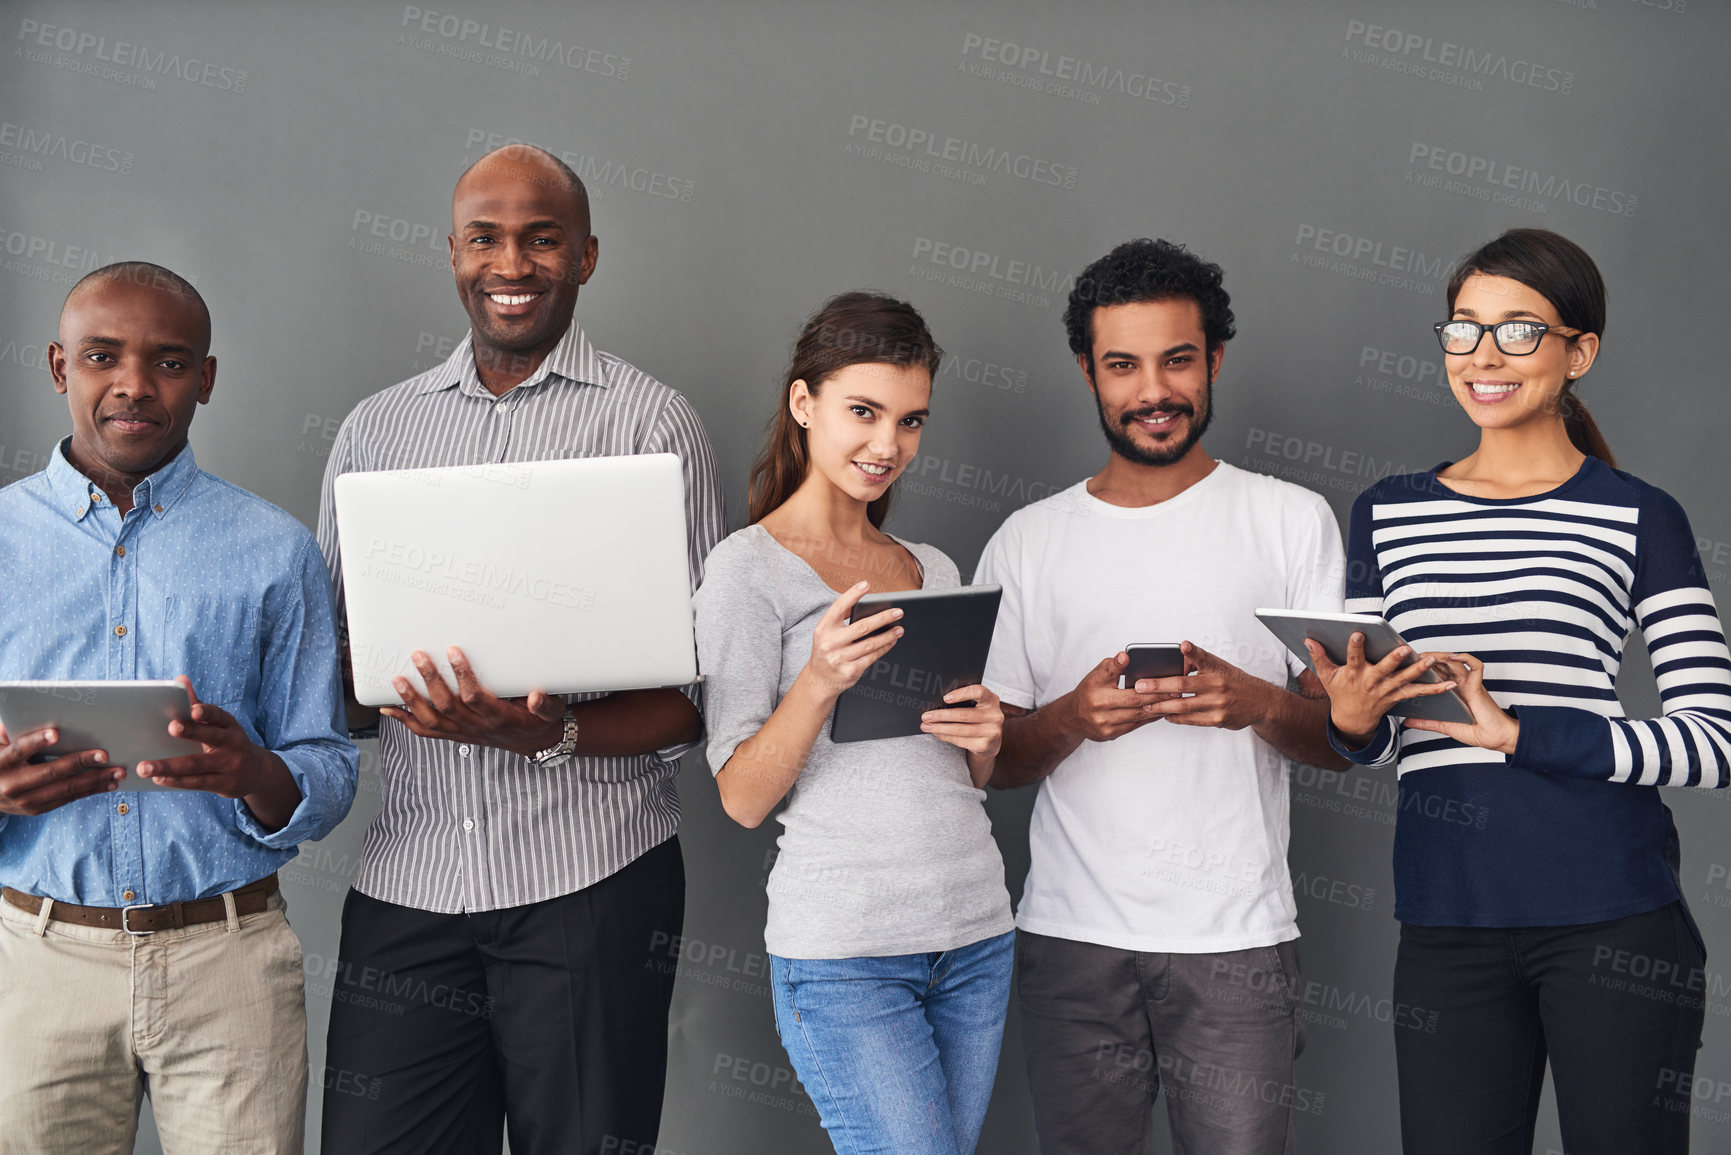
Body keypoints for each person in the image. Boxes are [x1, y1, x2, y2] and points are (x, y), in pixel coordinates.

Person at [315, 144, 725, 1154]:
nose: (513, 264)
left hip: (593, 882)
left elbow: (706, 695)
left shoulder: (653, 422)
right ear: (452, 253)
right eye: (486, 238)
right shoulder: (374, 433)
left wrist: (540, 734)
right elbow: (335, 683)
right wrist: (370, 694)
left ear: (585, 256)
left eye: (543, 240)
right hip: (409, 885)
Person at [1309, 227, 1731, 1155]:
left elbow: (1711, 741)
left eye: (1516, 331)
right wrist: (1349, 719)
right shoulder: (1386, 511)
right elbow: (1384, 733)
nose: (1482, 357)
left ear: (1579, 352)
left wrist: (1517, 731)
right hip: (1445, 920)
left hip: (1612, 920)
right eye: (1461, 330)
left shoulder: (1638, 513)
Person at [973, 239, 1348, 1154]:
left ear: (1213, 360)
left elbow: (1343, 739)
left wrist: (1257, 702)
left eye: (1177, 359)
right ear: (1087, 373)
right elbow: (988, 761)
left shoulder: (1291, 520)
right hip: (1070, 939)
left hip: (1238, 942)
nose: (1153, 390)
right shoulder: (1026, 541)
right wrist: (1071, 719)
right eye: (1122, 365)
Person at [0, 262, 358, 1153]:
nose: (132, 384)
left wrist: (256, 772)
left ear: (205, 377)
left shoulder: (277, 550)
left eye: (167, 361)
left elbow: (329, 761)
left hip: (228, 959)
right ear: (57, 367)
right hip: (37, 959)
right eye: (101, 356)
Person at [693, 292, 1015, 1155]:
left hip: (976, 934)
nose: (887, 446)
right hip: (848, 953)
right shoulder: (743, 571)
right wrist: (820, 680)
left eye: (910, 421)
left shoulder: (931, 566)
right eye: (863, 412)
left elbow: (958, 770)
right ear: (805, 405)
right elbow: (741, 797)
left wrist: (984, 739)